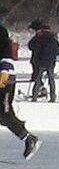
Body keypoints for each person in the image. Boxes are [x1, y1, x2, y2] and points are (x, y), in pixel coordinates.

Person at [0, 24, 41, 160]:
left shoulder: (1, 31)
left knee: (4, 114)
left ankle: (29, 138)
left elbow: (6, 51)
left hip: (5, 79)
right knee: (4, 116)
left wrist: (4, 71)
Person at [27, 19, 59, 102]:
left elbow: (31, 46)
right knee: (51, 80)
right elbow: (58, 51)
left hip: (40, 62)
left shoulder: (39, 38)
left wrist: (35, 60)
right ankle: (53, 97)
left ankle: (34, 96)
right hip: (51, 62)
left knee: (38, 79)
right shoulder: (53, 39)